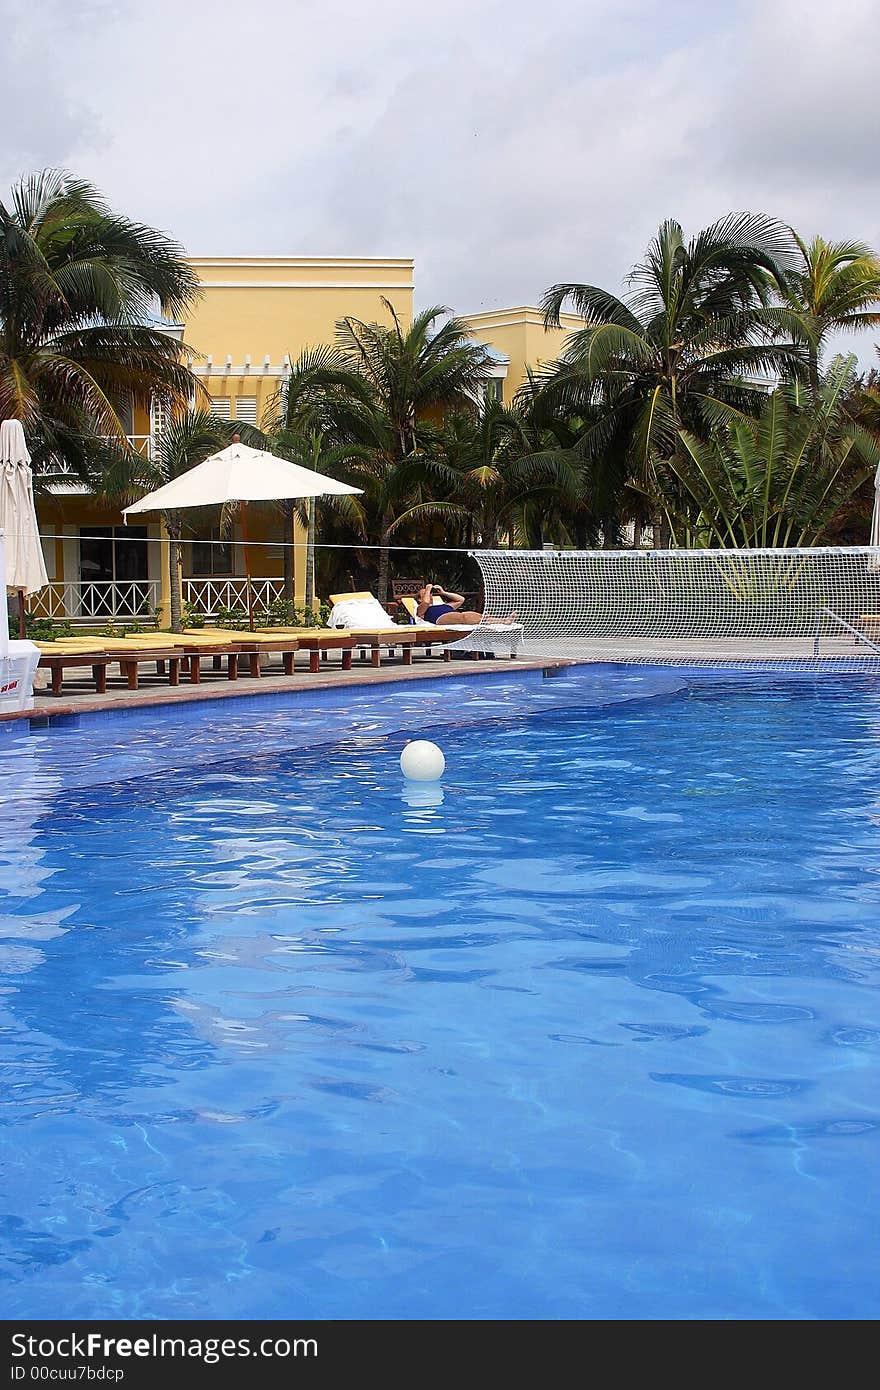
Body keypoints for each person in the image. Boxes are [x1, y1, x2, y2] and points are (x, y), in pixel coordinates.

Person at [415, 583, 517, 626]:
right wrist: (428, 588)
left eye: (429, 593)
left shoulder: (442, 605)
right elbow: (426, 602)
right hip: (439, 618)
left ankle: (504, 621)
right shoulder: (421, 610)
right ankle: (486, 620)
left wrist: (444, 593)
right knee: (463, 616)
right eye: (424, 594)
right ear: (419, 599)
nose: (429, 595)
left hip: (453, 615)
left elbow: (461, 600)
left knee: (473, 616)